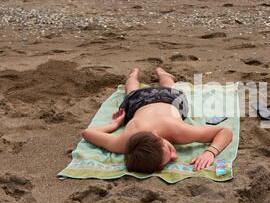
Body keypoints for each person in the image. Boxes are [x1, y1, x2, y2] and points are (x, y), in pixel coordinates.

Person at [81, 67, 233, 173]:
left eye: (170, 150)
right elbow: (87, 133)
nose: (175, 156)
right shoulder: (124, 143)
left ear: (158, 139)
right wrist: (114, 125)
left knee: (145, 90)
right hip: (150, 102)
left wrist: (210, 153)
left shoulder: (177, 131)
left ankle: (144, 74)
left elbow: (224, 131)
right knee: (140, 90)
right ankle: (149, 73)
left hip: (164, 101)